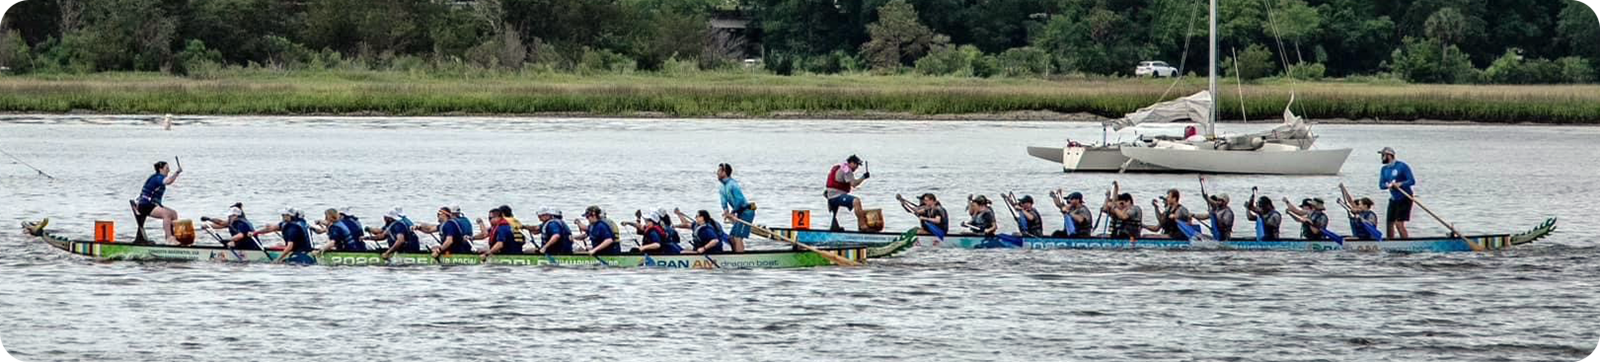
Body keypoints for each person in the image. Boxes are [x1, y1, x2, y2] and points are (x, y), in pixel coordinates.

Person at [132, 161, 183, 244]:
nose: (169, 170)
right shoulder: (158, 177)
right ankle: (169, 238)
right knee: (166, 214)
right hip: (145, 205)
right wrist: (177, 172)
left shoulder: (160, 177)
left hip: (151, 205)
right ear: (160, 169)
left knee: (174, 213)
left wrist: (176, 174)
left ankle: (172, 237)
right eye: (167, 168)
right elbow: (168, 181)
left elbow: (169, 181)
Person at [823, 155, 871, 231]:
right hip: (836, 197)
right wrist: (864, 177)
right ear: (851, 163)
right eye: (856, 165)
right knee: (856, 201)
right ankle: (863, 226)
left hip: (831, 196)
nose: (857, 167)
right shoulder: (847, 170)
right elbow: (854, 184)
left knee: (835, 214)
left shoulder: (841, 167)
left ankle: (834, 228)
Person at [1379, 147, 1416, 239]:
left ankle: (1405, 243)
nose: (1382, 158)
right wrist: (1388, 185)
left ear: (1389, 155)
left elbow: (1412, 181)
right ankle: (1390, 243)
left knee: (1398, 223)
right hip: (1394, 199)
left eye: (1383, 155)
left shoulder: (1402, 166)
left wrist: (1400, 184)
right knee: (1389, 223)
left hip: (1405, 197)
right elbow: (1381, 185)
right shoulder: (1384, 169)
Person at [717, 163, 754, 253]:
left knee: (738, 237)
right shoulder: (722, 187)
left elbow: (740, 200)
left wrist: (733, 212)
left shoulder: (733, 184)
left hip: (747, 212)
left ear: (724, 172)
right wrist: (726, 211)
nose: (717, 173)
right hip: (739, 212)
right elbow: (723, 201)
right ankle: (735, 255)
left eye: (719, 171)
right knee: (731, 238)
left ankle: (740, 258)